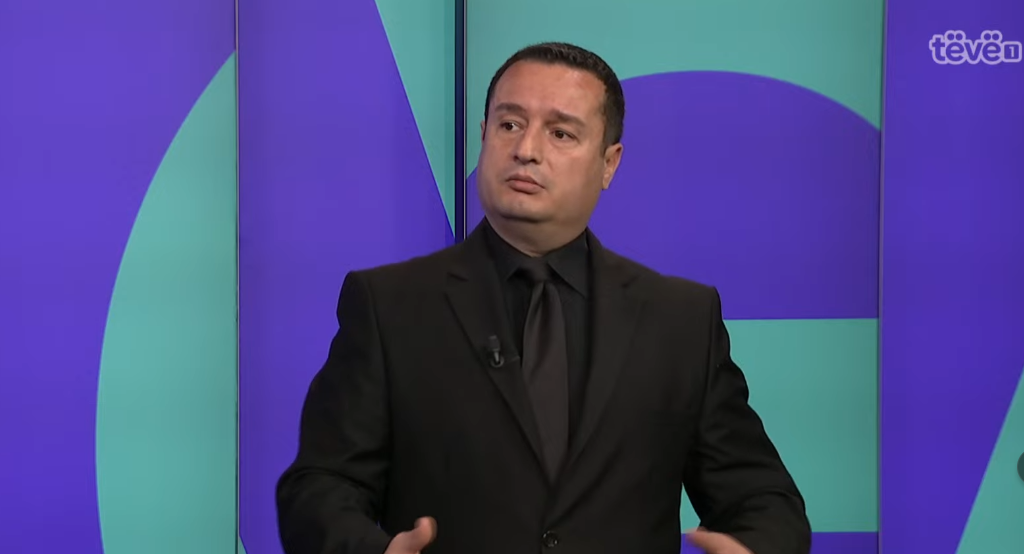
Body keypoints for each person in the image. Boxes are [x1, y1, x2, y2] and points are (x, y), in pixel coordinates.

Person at [276, 41, 811, 554]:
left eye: (561, 133)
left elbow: (763, 499)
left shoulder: (680, 320)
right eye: (509, 124)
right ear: (483, 135)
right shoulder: (389, 305)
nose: (526, 150)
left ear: (609, 163)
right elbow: (320, 485)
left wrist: (758, 547)